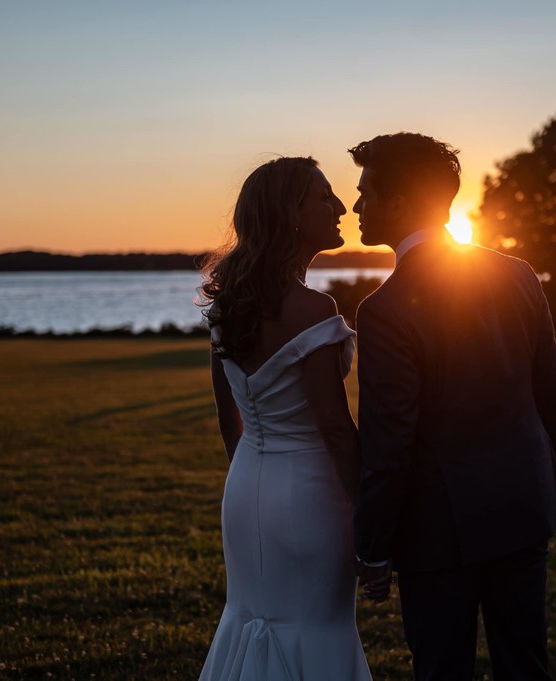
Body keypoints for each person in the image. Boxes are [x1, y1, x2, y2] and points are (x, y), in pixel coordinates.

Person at [350, 133, 556, 681]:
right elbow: (551, 398)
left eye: (365, 193)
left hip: (438, 531)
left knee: (442, 669)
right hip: (525, 507)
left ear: (398, 204)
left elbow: (389, 441)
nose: (355, 206)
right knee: (526, 665)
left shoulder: (384, 310)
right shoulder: (518, 274)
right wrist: (540, 483)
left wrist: (374, 548)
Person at [198, 156, 372, 681]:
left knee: (251, 618)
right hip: (310, 497)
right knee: (314, 626)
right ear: (290, 214)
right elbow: (337, 433)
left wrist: (255, 472)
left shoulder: (230, 305)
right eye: (324, 197)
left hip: (247, 487)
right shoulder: (314, 312)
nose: (340, 206)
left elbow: (230, 420)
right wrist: (372, 521)